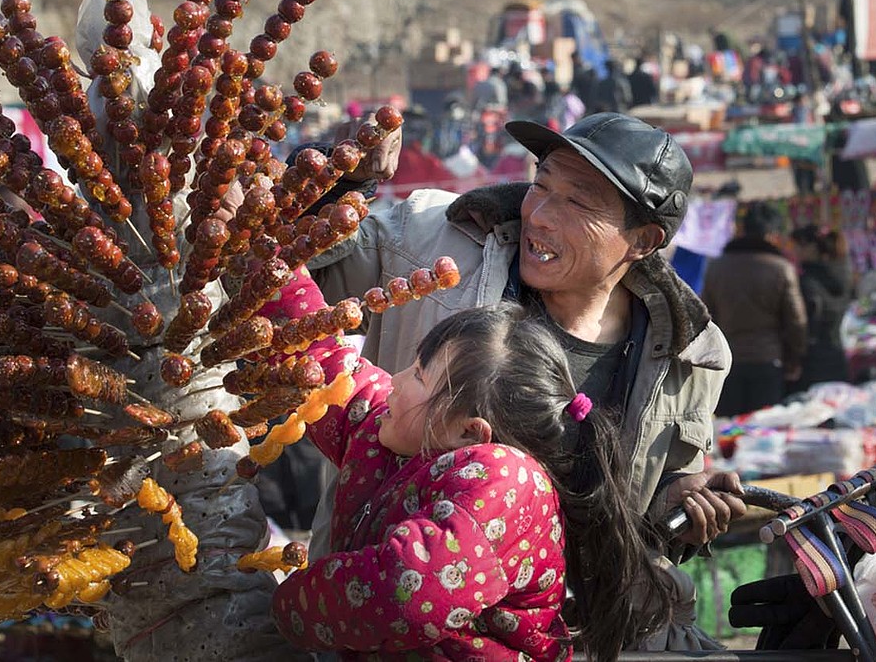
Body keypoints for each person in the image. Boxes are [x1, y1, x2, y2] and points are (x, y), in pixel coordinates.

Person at [294, 112, 745, 652]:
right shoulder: (431, 241)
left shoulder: (691, 354)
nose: (542, 216)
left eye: (578, 202)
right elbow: (295, 269)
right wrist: (342, 179)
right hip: (388, 623)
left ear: (643, 240)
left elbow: (637, 510)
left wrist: (680, 499)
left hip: (580, 635)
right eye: (542, 185)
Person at [269, 289, 676, 661]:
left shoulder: (511, 481)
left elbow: (406, 588)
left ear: (470, 431)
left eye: (418, 375)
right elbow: (327, 367)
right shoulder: (396, 435)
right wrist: (267, 265)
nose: (395, 380)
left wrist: (281, 607)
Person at [702, 203, 807, 416]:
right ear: (771, 234)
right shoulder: (781, 269)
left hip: (726, 362)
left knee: (729, 433)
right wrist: (795, 359)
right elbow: (796, 322)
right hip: (768, 362)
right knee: (764, 433)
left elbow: (705, 316)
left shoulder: (717, 267)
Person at [790, 226, 852, 389]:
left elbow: (803, 325)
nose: (795, 251)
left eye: (798, 246)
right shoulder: (842, 275)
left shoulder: (807, 283)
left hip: (812, 364)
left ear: (812, 248)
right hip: (837, 356)